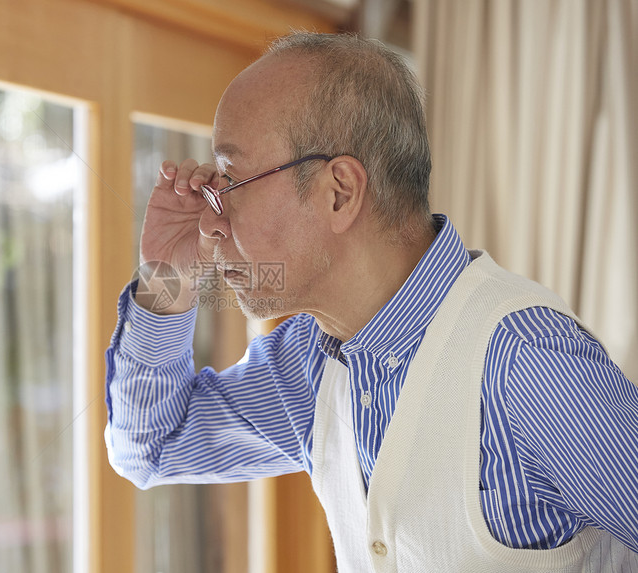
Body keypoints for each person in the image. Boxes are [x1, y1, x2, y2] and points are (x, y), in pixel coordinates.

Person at [104, 32, 638, 571]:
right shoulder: (310, 363)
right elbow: (150, 448)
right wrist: (165, 281)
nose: (208, 222)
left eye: (233, 181)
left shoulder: (529, 362)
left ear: (340, 191)